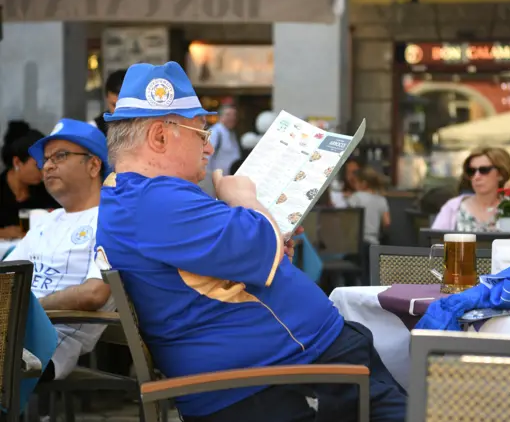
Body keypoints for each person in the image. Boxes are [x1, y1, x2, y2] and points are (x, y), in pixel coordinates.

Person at [95, 61, 406, 422]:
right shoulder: (154, 201)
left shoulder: (133, 196)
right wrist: (242, 196)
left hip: (270, 365)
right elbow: (258, 243)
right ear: (160, 137)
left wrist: (270, 242)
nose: (208, 148)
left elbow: (229, 263)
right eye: (200, 132)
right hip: (264, 374)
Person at [4, 118, 113, 381]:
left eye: (60, 156)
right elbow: (6, 276)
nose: (48, 165)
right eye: (46, 160)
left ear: (93, 165)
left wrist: (28, 309)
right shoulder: (47, 221)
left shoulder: (113, 221)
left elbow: (95, 293)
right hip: (11, 331)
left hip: (44, 346)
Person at [432, 147, 510, 232]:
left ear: (501, 174)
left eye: (484, 170)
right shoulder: (452, 208)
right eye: (471, 171)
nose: (476, 176)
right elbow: (434, 241)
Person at [0, 128, 59, 238]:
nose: (43, 171)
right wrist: (3, 233)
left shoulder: (46, 190)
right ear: (17, 162)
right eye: (37, 166)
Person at [347, 166, 391, 246]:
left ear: (363, 183)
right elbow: (387, 222)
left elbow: (348, 219)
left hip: (357, 243)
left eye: (355, 182)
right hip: (374, 244)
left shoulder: (356, 197)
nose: (354, 185)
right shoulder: (382, 199)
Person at [89, 69, 127, 136]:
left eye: (123, 106)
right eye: (114, 105)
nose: (118, 112)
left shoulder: (145, 128)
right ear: (107, 98)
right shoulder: (93, 129)